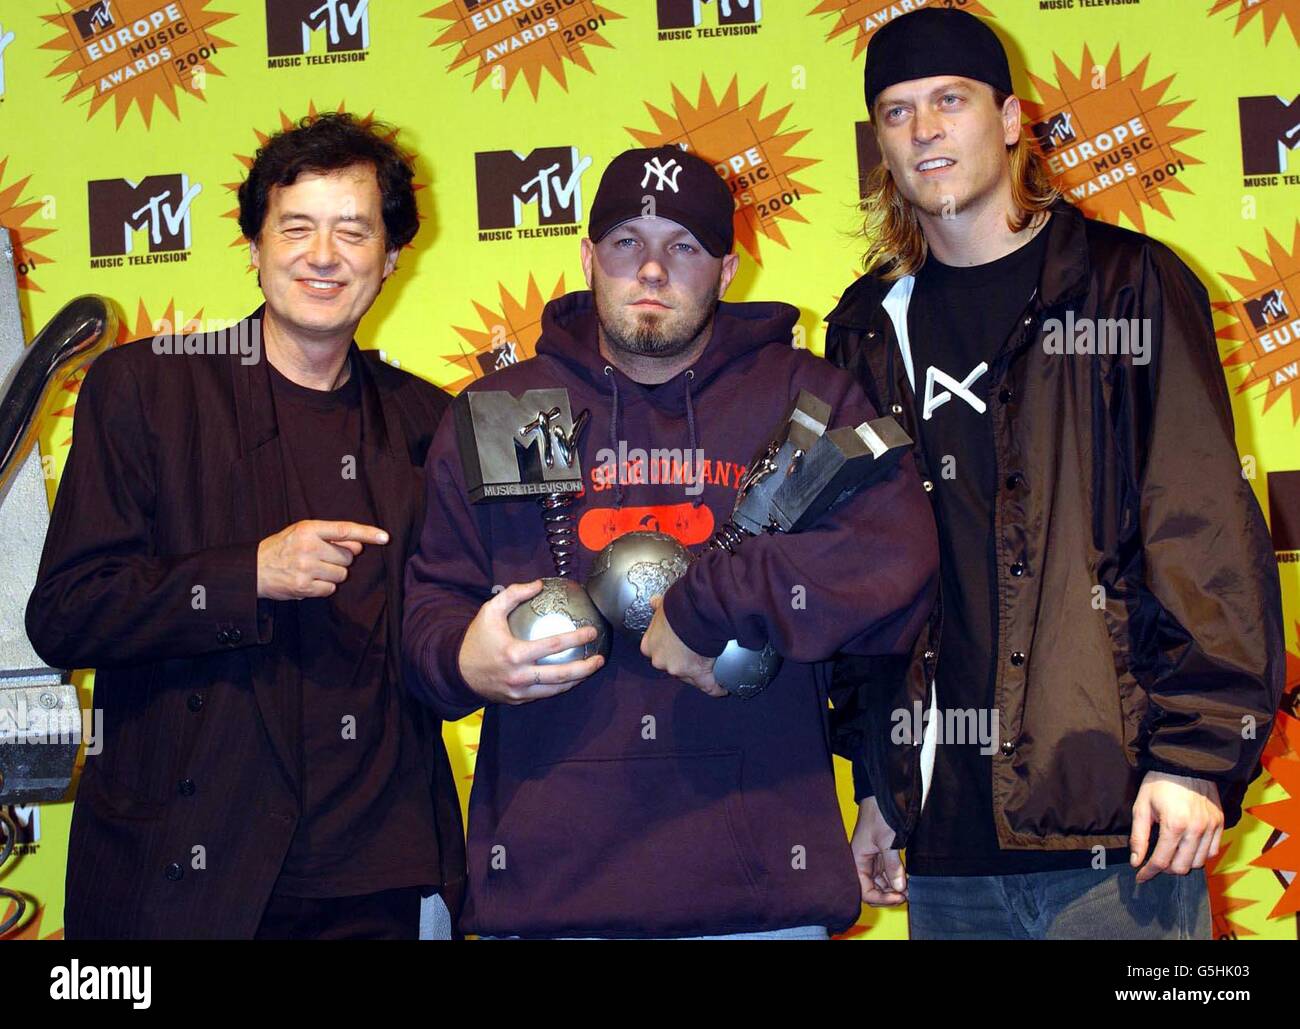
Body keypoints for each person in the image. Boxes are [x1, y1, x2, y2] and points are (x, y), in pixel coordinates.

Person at [825, 8, 1285, 940]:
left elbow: (1201, 530)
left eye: (949, 101)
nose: (923, 131)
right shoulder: (869, 325)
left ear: (1008, 119)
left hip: (1120, 831)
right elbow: (864, 577)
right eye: (897, 112)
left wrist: (1196, 756)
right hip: (945, 846)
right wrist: (881, 785)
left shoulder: (1129, 287)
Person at [402, 145, 938, 939]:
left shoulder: (804, 395)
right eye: (626, 242)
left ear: (726, 270)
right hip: (551, 902)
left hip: (760, 902)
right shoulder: (510, 409)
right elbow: (426, 613)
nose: (651, 270)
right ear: (586, 257)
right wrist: (461, 658)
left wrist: (723, 600)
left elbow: (896, 559)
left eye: (683, 246)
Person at [26, 112, 465, 939]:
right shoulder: (147, 390)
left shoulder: (432, 422)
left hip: (386, 876)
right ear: (255, 248)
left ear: (392, 258)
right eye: (295, 227)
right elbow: (66, 613)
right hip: (194, 877)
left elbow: (450, 628)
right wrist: (247, 573)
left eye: (353, 231)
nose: (323, 255)